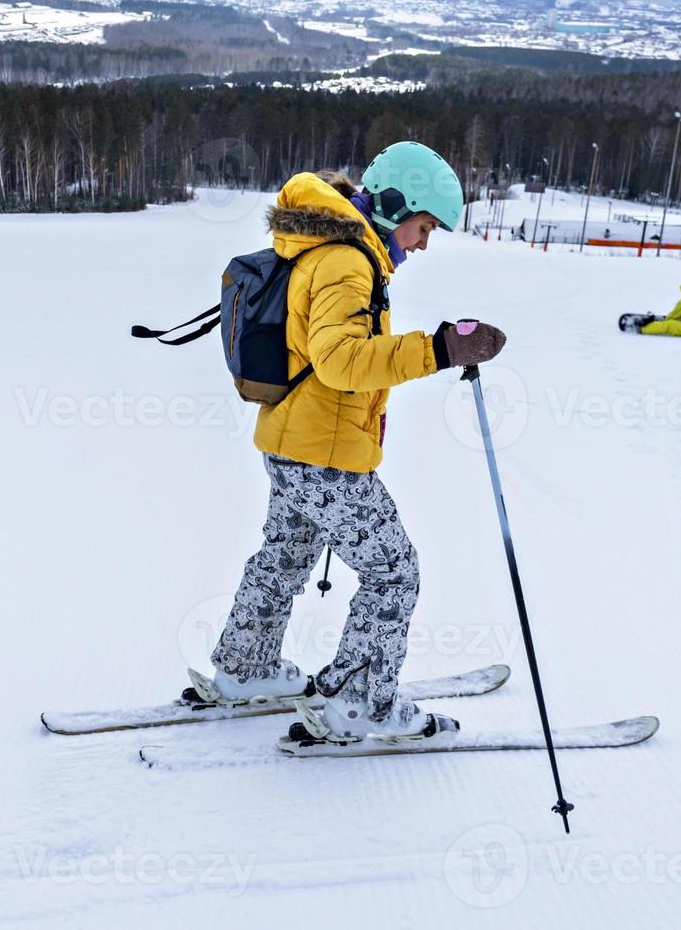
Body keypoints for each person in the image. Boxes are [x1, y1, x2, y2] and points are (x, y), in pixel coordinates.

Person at [199, 142, 506, 742]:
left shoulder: (329, 250)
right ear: (396, 207)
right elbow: (339, 362)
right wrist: (437, 350)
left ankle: (245, 667)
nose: (423, 244)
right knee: (394, 571)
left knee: (285, 557)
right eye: (423, 227)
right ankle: (361, 703)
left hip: (293, 441)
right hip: (326, 452)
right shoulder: (347, 261)